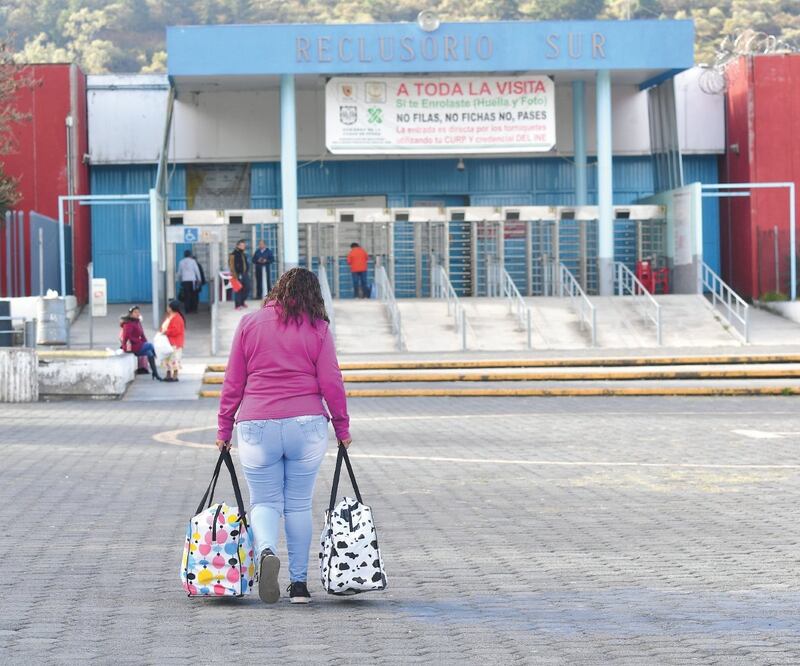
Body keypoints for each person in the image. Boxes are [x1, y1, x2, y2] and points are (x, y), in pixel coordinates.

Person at [216, 268, 351, 605]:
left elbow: (233, 381)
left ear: (277, 289)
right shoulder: (318, 328)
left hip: (256, 424)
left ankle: (265, 552)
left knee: (264, 501)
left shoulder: (250, 323)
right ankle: (300, 586)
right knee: (299, 504)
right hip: (306, 425)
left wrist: (223, 428)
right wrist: (342, 428)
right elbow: (331, 382)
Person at [120, 306, 162, 381]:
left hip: (138, 345)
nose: (137, 314)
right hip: (131, 346)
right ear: (130, 314)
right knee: (150, 345)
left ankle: (155, 373)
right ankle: (158, 357)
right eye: (135, 312)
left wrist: (144, 342)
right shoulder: (128, 324)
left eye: (138, 312)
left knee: (149, 353)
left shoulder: (137, 322)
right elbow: (126, 337)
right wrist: (138, 343)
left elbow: (142, 335)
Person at [160, 300, 186, 382]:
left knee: (174, 359)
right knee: (167, 359)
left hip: (175, 342)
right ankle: (168, 374)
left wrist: (166, 332)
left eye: (168, 306)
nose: (167, 308)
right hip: (168, 342)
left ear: (171, 308)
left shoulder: (177, 318)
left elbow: (176, 330)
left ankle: (174, 375)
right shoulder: (170, 317)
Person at [176, 250, 202, 314]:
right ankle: (194, 309)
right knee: (194, 295)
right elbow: (197, 271)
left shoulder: (181, 262)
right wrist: (199, 279)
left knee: (187, 296)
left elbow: (179, 273)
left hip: (185, 281)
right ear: (190, 255)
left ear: (184, 255)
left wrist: (179, 280)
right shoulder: (193, 261)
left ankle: (187, 310)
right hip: (192, 281)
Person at [229, 240, 250, 310]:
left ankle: (242, 302)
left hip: (245, 274)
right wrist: (235, 275)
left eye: (244, 245)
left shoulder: (243, 254)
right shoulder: (233, 254)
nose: (243, 247)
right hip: (237, 274)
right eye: (241, 245)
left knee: (247, 288)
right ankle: (237, 305)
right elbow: (231, 265)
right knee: (238, 290)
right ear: (237, 246)